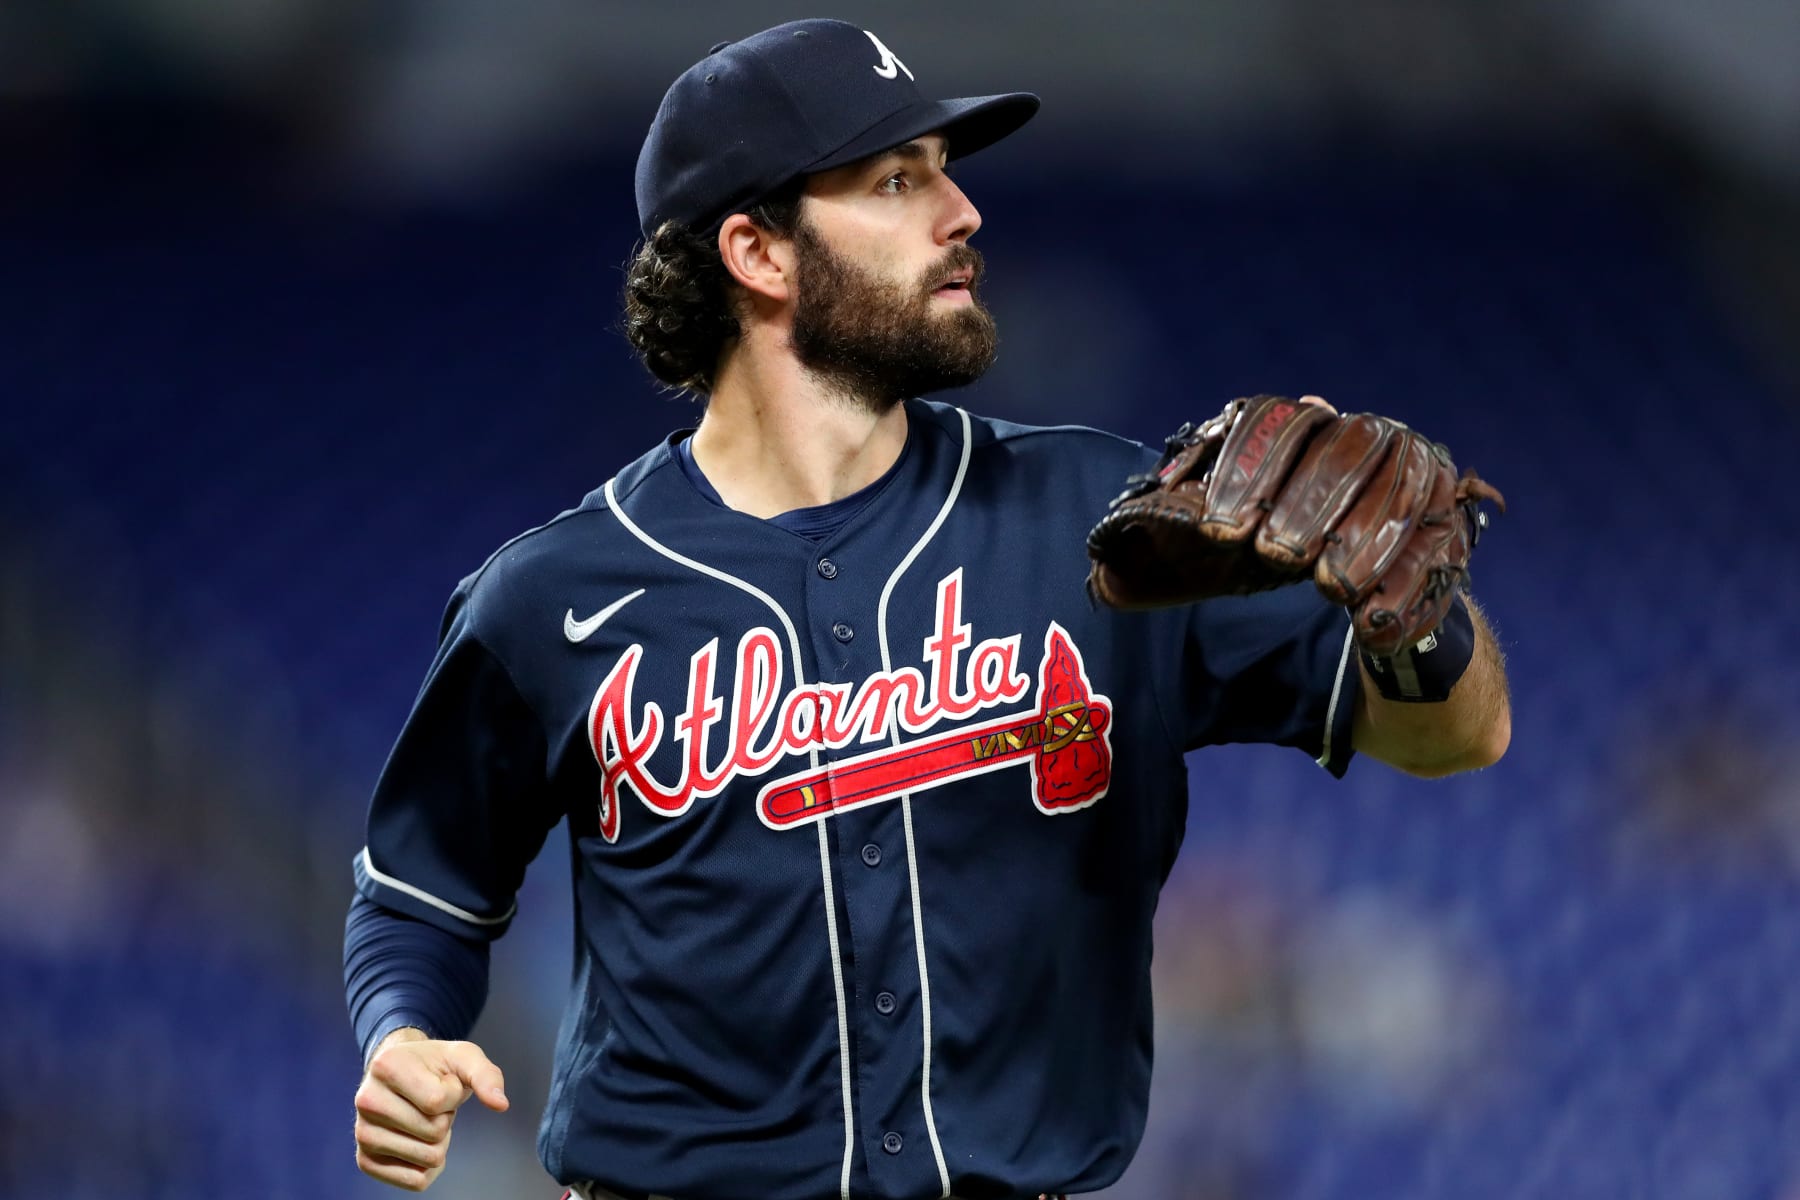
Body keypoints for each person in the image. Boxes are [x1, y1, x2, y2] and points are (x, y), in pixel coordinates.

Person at [343, 18, 1511, 1199]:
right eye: (898, 181)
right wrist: (400, 1035)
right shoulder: (556, 597)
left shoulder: (1111, 522)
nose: (963, 214)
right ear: (758, 250)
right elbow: (418, 897)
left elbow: (1456, 736)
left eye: (948, 170)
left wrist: (1416, 625)